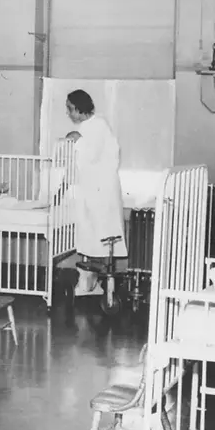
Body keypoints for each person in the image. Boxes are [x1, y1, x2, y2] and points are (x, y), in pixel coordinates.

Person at [65, 89, 127, 295]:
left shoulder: (98, 125)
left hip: (102, 190)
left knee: (100, 234)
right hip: (93, 188)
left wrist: (77, 140)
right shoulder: (90, 126)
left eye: (70, 109)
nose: (68, 113)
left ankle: (94, 281)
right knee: (91, 233)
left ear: (78, 108)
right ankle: (90, 280)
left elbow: (92, 156)